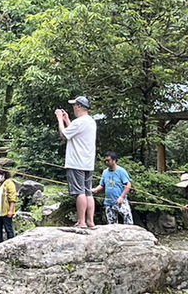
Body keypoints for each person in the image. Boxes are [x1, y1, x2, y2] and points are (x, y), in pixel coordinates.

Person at [56, 95, 97, 228]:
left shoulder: (80, 122)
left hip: (76, 162)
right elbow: (75, 134)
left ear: (79, 106)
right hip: (88, 163)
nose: (73, 108)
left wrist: (59, 119)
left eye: (74, 105)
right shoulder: (90, 121)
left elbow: (64, 134)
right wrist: (67, 120)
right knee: (88, 192)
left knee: (80, 192)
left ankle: (82, 221)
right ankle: (90, 221)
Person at [94, 151, 132, 225]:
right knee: (112, 224)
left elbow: (128, 185)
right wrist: (95, 189)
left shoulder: (121, 171)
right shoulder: (105, 172)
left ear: (114, 160)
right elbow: (102, 185)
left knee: (128, 220)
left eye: (108, 160)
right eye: (106, 161)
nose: (107, 162)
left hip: (120, 202)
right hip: (109, 202)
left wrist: (122, 197)